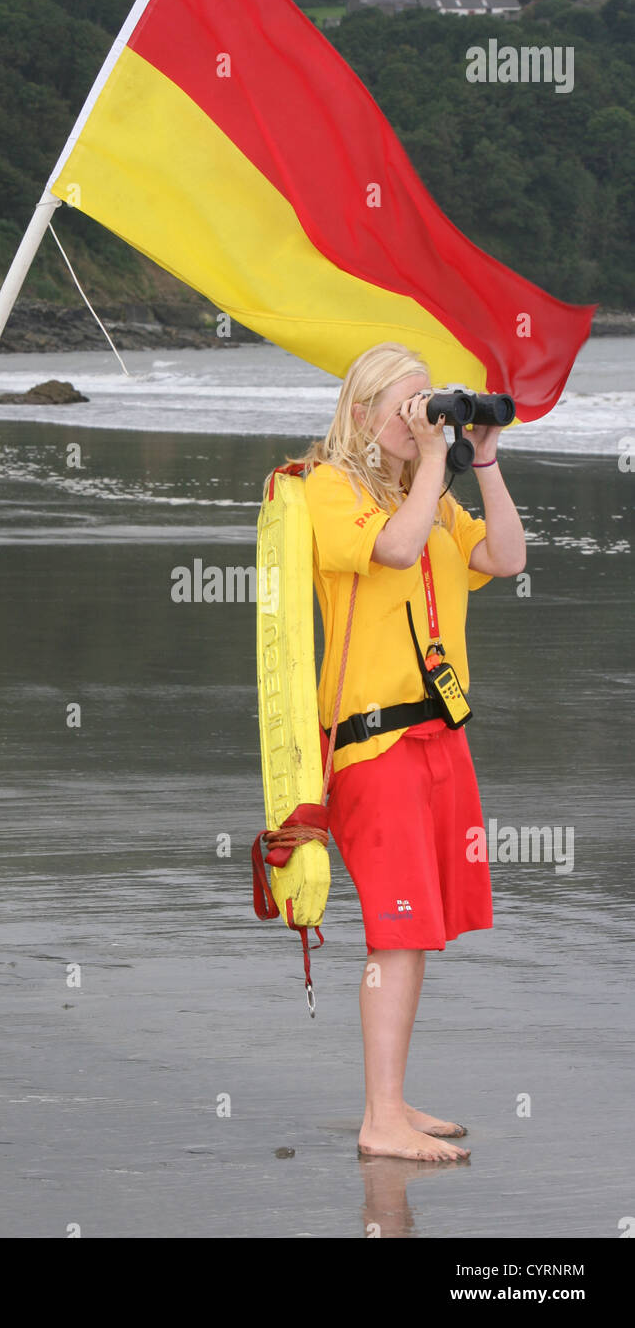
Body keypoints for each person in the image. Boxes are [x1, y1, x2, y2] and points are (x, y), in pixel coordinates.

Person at [281, 341, 526, 1163]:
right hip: (373, 745)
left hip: (439, 738)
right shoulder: (330, 488)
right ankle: (379, 1119)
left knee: (416, 932)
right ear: (359, 412)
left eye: (431, 403)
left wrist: (480, 460)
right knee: (394, 931)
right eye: (406, 405)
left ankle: (391, 1101)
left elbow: (506, 558)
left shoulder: (427, 494)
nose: (423, 418)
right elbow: (391, 547)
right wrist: (433, 459)